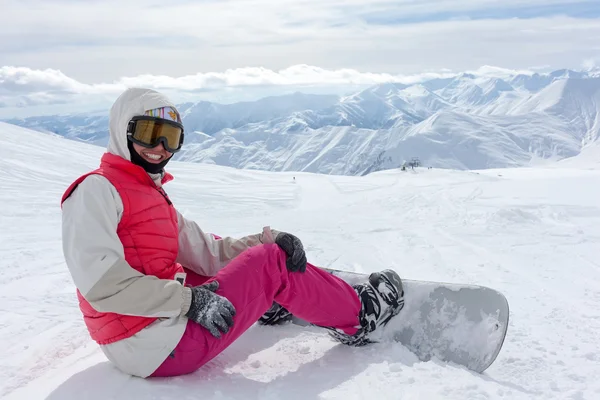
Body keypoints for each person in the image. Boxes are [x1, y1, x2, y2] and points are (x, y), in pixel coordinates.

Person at [60, 87, 405, 379]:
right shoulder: (96, 190)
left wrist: (265, 241)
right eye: (150, 133)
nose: (161, 146)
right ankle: (361, 317)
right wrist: (188, 300)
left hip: (144, 339)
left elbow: (208, 253)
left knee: (204, 264)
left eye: (172, 137)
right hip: (153, 346)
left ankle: (266, 299)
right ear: (123, 130)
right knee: (270, 263)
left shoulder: (146, 194)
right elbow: (102, 286)